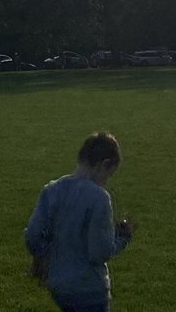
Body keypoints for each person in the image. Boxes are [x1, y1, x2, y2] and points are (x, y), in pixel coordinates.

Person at [25, 132, 135, 311]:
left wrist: (42, 256)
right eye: (109, 175)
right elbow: (99, 252)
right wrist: (121, 238)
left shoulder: (51, 190)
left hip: (58, 286)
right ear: (103, 165)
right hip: (89, 289)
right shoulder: (99, 198)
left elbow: (33, 235)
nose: (106, 182)